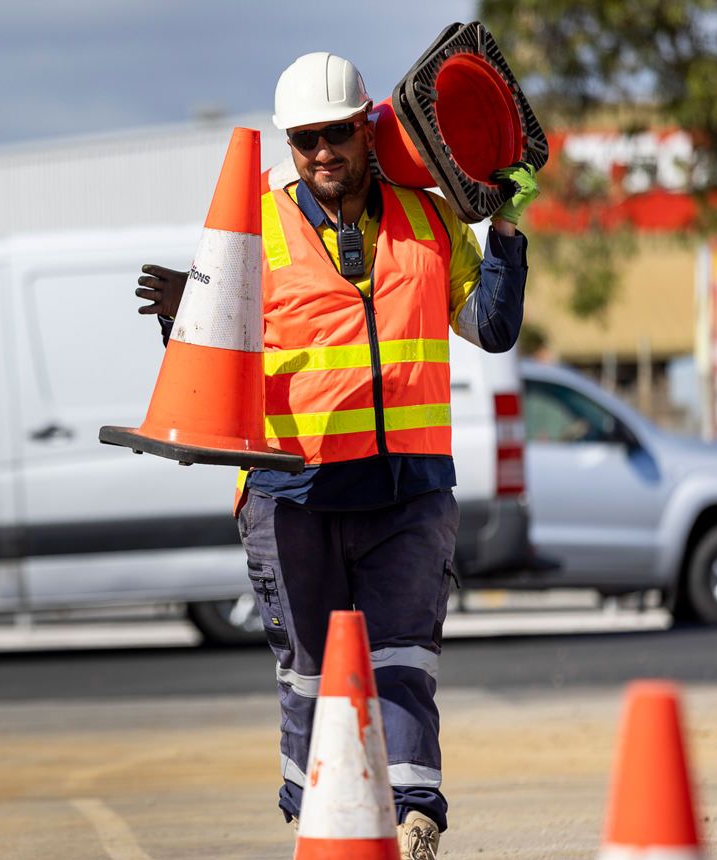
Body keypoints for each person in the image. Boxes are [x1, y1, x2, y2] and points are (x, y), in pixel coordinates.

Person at [135, 52, 539, 860]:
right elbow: (213, 373)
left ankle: (415, 821)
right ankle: (317, 822)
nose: (323, 152)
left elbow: (492, 329)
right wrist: (191, 313)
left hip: (408, 487)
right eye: (306, 139)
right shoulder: (255, 227)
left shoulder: (431, 220)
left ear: (368, 128)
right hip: (295, 492)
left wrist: (504, 229)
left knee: (403, 662)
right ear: (289, 143)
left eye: (338, 134)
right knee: (310, 675)